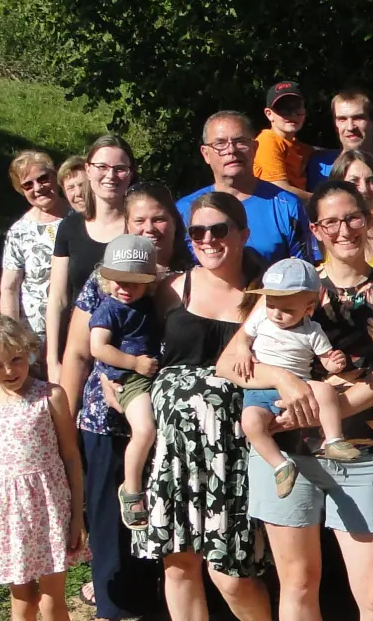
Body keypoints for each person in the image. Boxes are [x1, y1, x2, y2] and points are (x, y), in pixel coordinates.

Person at [219, 178, 373, 621]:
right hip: (284, 456)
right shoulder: (288, 286)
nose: (343, 230)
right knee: (298, 585)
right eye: (331, 222)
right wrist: (285, 385)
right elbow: (230, 361)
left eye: (353, 218)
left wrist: (313, 410)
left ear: (369, 222)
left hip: (360, 451)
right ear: (316, 230)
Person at [135, 191, 270, 621]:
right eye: (197, 231)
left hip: (232, 451)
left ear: (243, 233)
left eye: (219, 229)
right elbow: (124, 336)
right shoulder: (171, 287)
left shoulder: (266, 294)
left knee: (232, 574)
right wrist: (118, 384)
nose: (208, 239)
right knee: (178, 567)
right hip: (174, 450)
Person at [75, 184, 177, 621]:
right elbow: (81, 350)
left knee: (157, 513)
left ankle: (151, 598)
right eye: (140, 220)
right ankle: (112, 604)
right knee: (107, 512)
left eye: (159, 219)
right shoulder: (106, 282)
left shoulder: (178, 279)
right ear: (126, 224)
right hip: (106, 414)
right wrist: (66, 413)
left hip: (160, 409)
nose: (150, 228)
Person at [0, 313, 85, 621]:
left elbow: (71, 456)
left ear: (29, 353)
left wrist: (76, 516)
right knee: (23, 603)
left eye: (16, 359)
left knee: (51, 602)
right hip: (8, 514)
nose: (9, 370)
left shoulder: (50, 396)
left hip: (49, 507)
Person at [238, 257, 361, 497]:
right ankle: (281, 466)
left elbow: (325, 359)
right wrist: (243, 349)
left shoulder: (312, 331)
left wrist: (334, 364)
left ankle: (334, 439)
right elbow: (243, 337)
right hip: (260, 389)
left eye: (287, 310)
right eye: (271, 304)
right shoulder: (261, 317)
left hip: (300, 385)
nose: (276, 314)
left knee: (326, 391)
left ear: (308, 308)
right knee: (250, 423)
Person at [86, 234, 166, 529]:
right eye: (118, 280)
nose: (124, 287)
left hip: (151, 375)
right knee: (145, 429)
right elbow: (98, 347)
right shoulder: (109, 308)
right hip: (129, 378)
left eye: (133, 281)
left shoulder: (147, 304)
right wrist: (134, 363)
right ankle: (131, 490)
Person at [49, 134, 134, 386]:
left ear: (130, 174)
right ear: (87, 170)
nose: (111, 175)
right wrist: (53, 360)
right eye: (102, 167)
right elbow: (58, 298)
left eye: (120, 168)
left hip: (128, 350)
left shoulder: (140, 226)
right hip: (77, 351)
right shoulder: (70, 226)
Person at [180, 110, 311, 265]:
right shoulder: (184, 210)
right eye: (220, 143)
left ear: (255, 148)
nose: (231, 150)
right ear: (206, 154)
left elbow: (304, 271)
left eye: (240, 141)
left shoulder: (288, 207)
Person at [0, 150, 70, 341]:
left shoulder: (80, 217)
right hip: (36, 333)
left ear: (55, 176)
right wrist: (12, 336)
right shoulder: (19, 231)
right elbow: (9, 288)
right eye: (28, 185)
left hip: (80, 327)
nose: (38, 188)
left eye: (43, 178)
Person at [307, 88, 373, 212]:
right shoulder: (317, 162)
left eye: (358, 118)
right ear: (335, 125)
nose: (350, 127)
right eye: (342, 119)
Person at [253, 80, 316, 201]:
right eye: (284, 109)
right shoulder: (268, 141)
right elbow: (279, 189)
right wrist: (323, 201)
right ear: (269, 114)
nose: (292, 114)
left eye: (297, 108)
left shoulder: (299, 147)